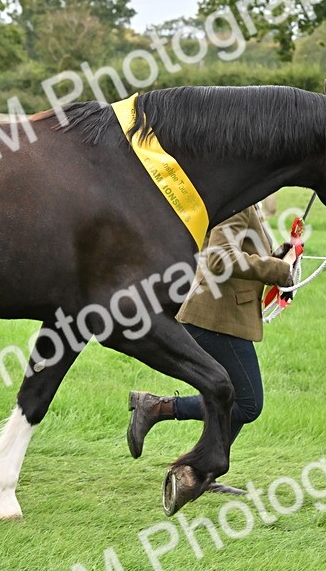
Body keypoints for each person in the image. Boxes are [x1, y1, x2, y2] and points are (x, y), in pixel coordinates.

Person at [126, 203, 295, 495]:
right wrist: (275, 270)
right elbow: (220, 259)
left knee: (238, 398)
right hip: (216, 319)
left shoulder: (249, 202)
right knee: (248, 403)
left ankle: (201, 472)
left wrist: (277, 258)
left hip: (226, 318)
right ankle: (157, 409)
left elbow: (241, 251)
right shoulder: (238, 205)